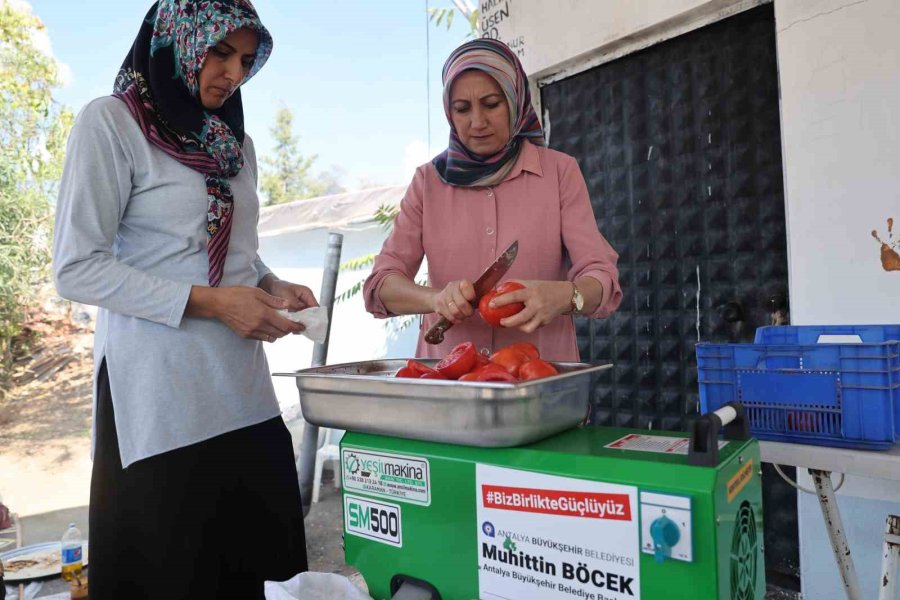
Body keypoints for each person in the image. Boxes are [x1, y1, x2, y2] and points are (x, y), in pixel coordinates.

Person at [52, 1, 312, 597]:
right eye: (219, 53)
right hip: (158, 404)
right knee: (174, 574)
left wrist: (269, 284)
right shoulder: (111, 124)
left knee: (265, 574)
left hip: (241, 392)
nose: (234, 74)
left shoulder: (234, 145)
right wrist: (217, 303)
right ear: (176, 42)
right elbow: (77, 268)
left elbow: (225, 247)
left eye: (246, 60)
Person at [363, 39, 622, 361]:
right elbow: (380, 286)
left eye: (491, 104)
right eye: (462, 109)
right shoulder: (427, 183)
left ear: (515, 101)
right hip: (451, 384)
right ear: (448, 111)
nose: (477, 122)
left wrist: (567, 296)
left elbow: (602, 277)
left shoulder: (559, 172)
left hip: (539, 381)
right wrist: (436, 300)